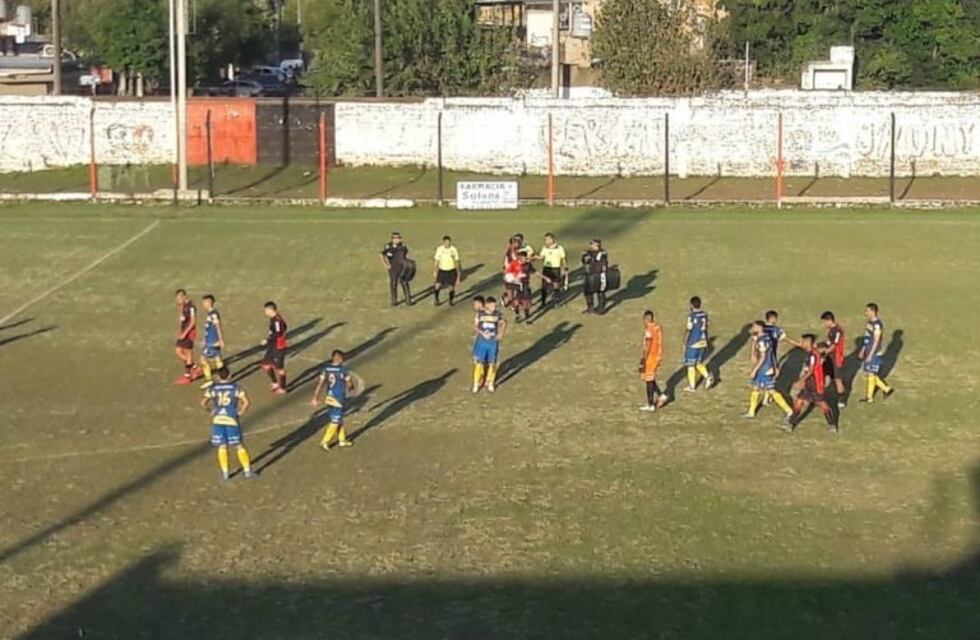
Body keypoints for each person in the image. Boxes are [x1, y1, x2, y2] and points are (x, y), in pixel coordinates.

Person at [200, 367, 255, 480]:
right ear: (229, 375)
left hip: (218, 419)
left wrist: (211, 411)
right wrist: (240, 412)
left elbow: (203, 403)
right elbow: (246, 402)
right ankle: (247, 471)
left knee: (222, 446)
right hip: (231, 418)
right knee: (239, 445)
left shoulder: (213, 388)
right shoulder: (235, 387)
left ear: (218, 376)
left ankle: (225, 473)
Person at [784, 334, 839, 433]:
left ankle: (832, 425)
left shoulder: (813, 355)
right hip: (809, 384)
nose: (801, 343)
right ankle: (791, 423)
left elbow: (811, 371)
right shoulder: (810, 353)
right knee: (799, 402)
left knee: (822, 405)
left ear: (808, 342)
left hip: (816, 385)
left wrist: (800, 381)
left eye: (803, 341)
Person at [744, 321, 793, 420]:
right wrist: (775, 366)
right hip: (768, 367)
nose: (752, 328)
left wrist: (755, 370)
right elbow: (771, 354)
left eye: (754, 327)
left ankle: (789, 410)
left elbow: (763, 357)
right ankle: (751, 412)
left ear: (759, 328)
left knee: (771, 390)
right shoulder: (767, 338)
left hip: (764, 368)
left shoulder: (762, 341)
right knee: (756, 387)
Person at [311, 350, 355, 450]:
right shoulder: (343, 370)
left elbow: (320, 384)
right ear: (339, 358)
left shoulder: (326, 369)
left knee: (338, 419)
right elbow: (349, 384)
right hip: (338, 398)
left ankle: (342, 440)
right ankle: (324, 441)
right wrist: (351, 387)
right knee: (335, 421)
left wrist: (315, 397)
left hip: (329, 397)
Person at [858, 302, 894, 403]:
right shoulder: (869, 323)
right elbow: (867, 338)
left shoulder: (877, 325)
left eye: (867, 311)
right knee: (870, 373)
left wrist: (870, 354)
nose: (865, 313)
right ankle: (886, 389)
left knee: (871, 373)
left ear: (873, 312)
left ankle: (870, 397)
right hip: (868, 351)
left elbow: (876, 341)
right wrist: (863, 350)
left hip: (874, 353)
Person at [472, 296, 507, 393]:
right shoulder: (480, 314)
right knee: (479, 362)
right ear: (486, 305)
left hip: (493, 342)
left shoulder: (497, 314)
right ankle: (476, 383)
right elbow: (475, 326)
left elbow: (504, 322)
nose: (493, 308)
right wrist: (482, 333)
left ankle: (490, 382)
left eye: (495, 306)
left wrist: (501, 333)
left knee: (492, 363)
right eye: (492, 306)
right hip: (482, 342)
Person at [682, 296, 714, 391]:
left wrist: (685, 341)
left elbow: (689, 329)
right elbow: (705, 328)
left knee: (690, 364)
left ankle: (692, 386)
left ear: (691, 305)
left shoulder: (691, 316)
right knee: (698, 362)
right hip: (702, 341)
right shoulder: (704, 315)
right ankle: (708, 376)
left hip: (693, 342)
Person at [639, 310, 668, 411]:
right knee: (650, 378)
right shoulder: (657, 327)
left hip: (650, 358)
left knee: (648, 380)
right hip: (657, 356)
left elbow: (648, 344)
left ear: (646, 319)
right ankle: (662, 396)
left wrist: (643, 358)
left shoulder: (649, 330)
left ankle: (650, 404)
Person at [820, 311, 848, 408]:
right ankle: (823, 394)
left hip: (837, 358)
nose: (824, 324)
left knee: (837, 379)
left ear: (829, 320)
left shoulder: (838, 331)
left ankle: (842, 398)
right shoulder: (831, 330)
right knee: (826, 374)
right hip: (830, 356)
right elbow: (828, 342)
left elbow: (834, 346)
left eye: (824, 322)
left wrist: (824, 352)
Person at [261, 301, 288, 395]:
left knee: (280, 368)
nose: (265, 312)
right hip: (272, 346)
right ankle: (275, 383)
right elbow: (285, 327)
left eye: (265, 310)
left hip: (278, 346)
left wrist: (267, 339)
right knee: (266, 365)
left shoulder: (277, 320)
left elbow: (279, 333)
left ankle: (283, 387)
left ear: (270, 310)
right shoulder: (274, 319)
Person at [174, 289, 199, 385]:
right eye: (177, 299)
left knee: (188, 353)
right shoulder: (183, 305)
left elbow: (193, 322)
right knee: (178, 350)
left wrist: (185, 333)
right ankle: (194, 367)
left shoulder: (191, 307)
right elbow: (182, 319)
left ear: (184, 296)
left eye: (179, 298)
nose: (178, 300)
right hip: (183, 332)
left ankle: (188, 376)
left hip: (189, 333)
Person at [198, 294, 224, 388]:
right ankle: (224, 377)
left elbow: (217, 326)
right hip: (210, 340)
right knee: (217, 359)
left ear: (209, 302)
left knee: (203, 359)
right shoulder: (211, 314)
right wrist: (204, 340)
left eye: (204, 302)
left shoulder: (213, 314)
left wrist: (220, 339)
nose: (203, 304)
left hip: (212, 341)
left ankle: (209, 380)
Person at [380, 232, 412, 306]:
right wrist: (385, 264)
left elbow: (405, 255)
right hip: (393, 269)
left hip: (402, 268)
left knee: (404, 283)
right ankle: (394, 301)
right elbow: (381, 254)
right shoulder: (388, 247)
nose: (397, 240)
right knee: (394, 284)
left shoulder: (403, 246)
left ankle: (408, 300)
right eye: (395, 238)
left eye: (398, 238)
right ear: (392, 239)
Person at [538, 232, 568, 308]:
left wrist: (565, 267)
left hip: (555, 269)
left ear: (552, 239)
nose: (545, 241)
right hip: (546, 268)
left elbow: (563, 259)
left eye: (547, 240)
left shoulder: (560, 248)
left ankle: (556, 302)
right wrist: (532, 257)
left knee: (556, 286)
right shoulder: (544, 248)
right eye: (545, 240)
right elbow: (541, 257)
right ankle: (543, 302)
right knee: (544, 286)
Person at [581, 239, 608, 314]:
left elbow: (602, 265)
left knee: (600, 291)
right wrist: (584, 257)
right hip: (588, 274)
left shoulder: (602, 253)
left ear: (597, 245)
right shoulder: (589, 252)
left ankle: (601, 308)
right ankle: (590, 307)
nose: (591, 246)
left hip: (598, 275)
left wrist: (590, 258)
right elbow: (584, 261)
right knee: (587, 292)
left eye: (592, 244)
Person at [432, 235, 461, 306]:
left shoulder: (454, 250)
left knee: (451, 287)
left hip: (451, 271)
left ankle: (451, 300)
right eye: (446, 242)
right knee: (437, 286)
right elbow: (437, 261)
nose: (448, 244)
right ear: (443, 242)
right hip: (442, 270)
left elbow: (457, 261)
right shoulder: (439, 249)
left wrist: (458, 275)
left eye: (449, 242)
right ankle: (436, 299)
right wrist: (435, 270)